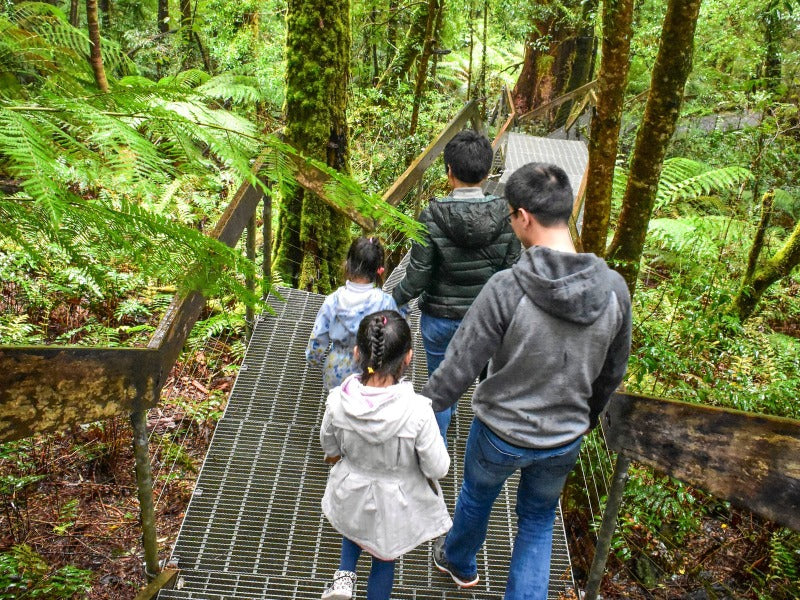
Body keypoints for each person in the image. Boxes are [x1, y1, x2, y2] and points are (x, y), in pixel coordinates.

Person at [421, 162, 633, 599]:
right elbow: (612, 372)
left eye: (510, 216)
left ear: (523, 217)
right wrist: (584, 419)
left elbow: (460, 365)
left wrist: (418, 407)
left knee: (477, 500)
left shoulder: (507, 287)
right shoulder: (614, 290)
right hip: (563, 436)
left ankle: (458, 560)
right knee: (537, 522)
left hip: (499, 430)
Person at [392, 129, 520, 444]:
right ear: (488, 172)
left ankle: (436, 454)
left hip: (439, 318)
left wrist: (393, 298)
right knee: (489, 386)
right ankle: (487, 449)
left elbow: (418, 276)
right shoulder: (507, 216)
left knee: (440, 386)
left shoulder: (432, 215)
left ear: (449, 173)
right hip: (487, 322)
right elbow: (511, 273)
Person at [319, 310, 452, 600]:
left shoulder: (337, 402)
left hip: (352, 486)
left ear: (357, 353)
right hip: (395, 499)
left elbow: (329, 448)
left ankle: (344, 578)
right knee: (384, 556)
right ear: (408, 357)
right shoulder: (418, 412)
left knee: (354, 523)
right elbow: (438, 467)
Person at [306, 237, 399, 392]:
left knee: (338, 410)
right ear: (378, 269)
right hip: (372, 372)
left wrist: (313, 359)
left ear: (348, 264)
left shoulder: (332, 301)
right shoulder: (386, 303)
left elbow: (318, 337)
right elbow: (396, 339)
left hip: (337, 372)